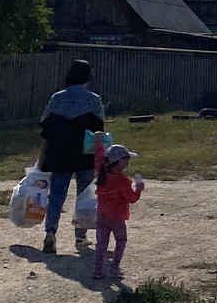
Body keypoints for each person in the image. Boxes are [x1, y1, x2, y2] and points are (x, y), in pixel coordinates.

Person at [36, 59, 106, 256]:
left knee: (57, 195)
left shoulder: (57, 98)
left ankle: (51, 232)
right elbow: (99, 130)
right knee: (84, 195)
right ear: (88, 77)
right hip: (84, 153)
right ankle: (80, 236)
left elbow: (46, 127)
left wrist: (42, 155)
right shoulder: (93, 99)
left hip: (60, 153)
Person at [91, 143, 143, 281]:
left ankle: (98, 270)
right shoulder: (122, 181)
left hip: (101, 215)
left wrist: (98, 144)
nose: (128, 163)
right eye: (126, 160)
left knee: (101, 244)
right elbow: (131, 198)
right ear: (120, 162)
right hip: (117, 217)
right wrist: (139, 189)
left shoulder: (101, 173)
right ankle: (114, 268)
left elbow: (99, 158)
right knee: (121, 240)